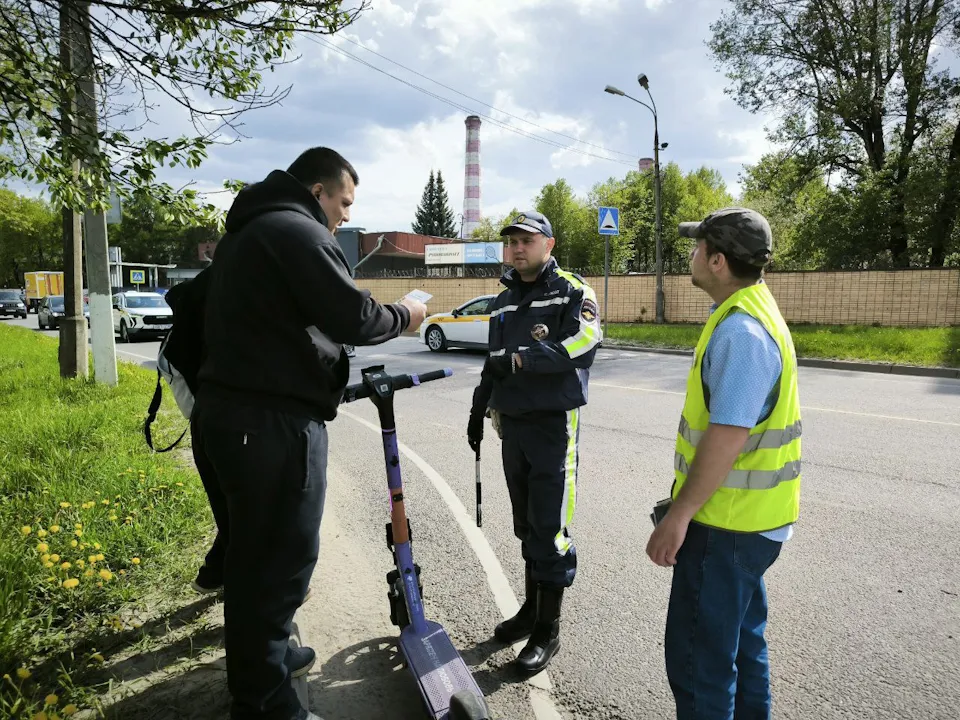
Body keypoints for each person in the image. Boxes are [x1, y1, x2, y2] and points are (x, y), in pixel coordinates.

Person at [191, 146, 427, 720]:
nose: (345, 216)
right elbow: (353, 316)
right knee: (274, 566)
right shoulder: (297, 231)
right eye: (343, 203)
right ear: (318, 191)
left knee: (254, 558)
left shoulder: (253, 229)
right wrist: (408, 315)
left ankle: (275, 656)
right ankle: (268, 705)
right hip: (270, 428)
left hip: (229, 417)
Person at [646, 207, 802, 720]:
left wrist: (679, 515)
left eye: (697, 248)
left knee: (700, 667)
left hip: (726, 528)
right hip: (756, 525)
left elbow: (727, 437)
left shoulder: (741, 333)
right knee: (742, 649)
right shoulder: (754, 307)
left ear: (717, 260)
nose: (689, 255)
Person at [467, 210, 601, 676]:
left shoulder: (571, 289)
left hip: (552, 427)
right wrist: (478, 408)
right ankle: (530, 611)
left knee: (551, 529)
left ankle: (549, 629)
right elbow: (491, 362)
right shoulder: (504, 301)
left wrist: (524, 361)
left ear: (550, 244)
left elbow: (585, 340)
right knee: (526, 524)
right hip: (514, 427)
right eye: (512, 241)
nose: (517, 248)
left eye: (527, 240)